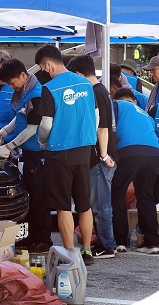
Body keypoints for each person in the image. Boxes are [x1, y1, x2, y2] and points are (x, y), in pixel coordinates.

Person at [34, 45, 97, 266]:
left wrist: (41, 140)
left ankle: (71, 252)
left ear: (48, 64)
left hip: (59, 151)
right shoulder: (86, 84)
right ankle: (87, 251)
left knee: (63, 206)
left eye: (43, 67)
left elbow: (46, 124)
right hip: (84, 149)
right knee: (84, 204)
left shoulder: (50, 88)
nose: (45, 71)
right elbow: (95, 116)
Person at [0, 58, 54, 253]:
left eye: (12, 83)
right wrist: (3, 131)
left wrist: (9, 146)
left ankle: (43, 240)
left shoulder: (36, 94)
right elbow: (20, 117)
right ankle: (32, 238)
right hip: (28, 154)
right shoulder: (25, 92)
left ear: (23, 75)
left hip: (38, 155)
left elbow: (32, 129)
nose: (12, 87)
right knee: (31, 198)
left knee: (39, 199)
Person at [66, 55, 119, 259]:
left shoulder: (94, 93)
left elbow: (102, 128)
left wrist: (104, 155)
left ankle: (107, 245)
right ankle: (106, 242)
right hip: (103, 155)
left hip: (99, 157)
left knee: (100, 205)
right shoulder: (102, 90)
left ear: (79, 74)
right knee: (99, 204)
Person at [111, 98, 159, 254]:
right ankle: (152, 243)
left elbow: (108, 129)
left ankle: (119, 241)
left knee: (117, 193)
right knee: (145, 195)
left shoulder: (115, 105)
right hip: (155, 153)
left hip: (130, 151)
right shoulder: (144, 113)